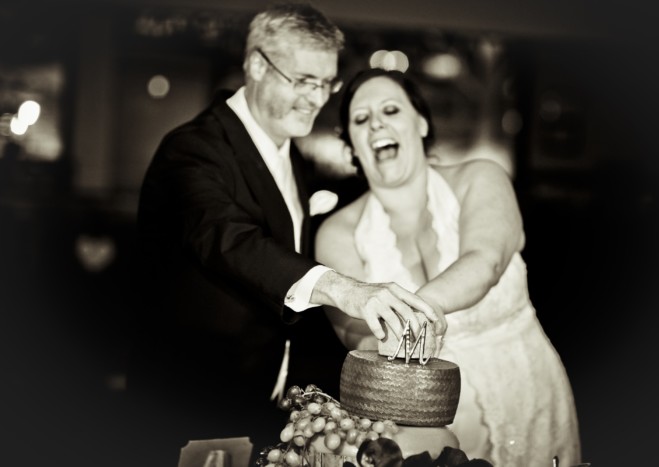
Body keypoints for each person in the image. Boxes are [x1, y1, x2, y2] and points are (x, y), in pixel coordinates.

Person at [129, 5, 444, 466]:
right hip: (190, 400)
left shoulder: (287, 151)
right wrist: (346, 289)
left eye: (326, 83)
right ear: (256, 65)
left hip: (267, 404)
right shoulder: (193, 148)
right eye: (302, 81)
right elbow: (229, 238)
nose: (316, 99)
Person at [316, 68, 581, 467]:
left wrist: (409, 314)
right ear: (351, 142)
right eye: (361, 119)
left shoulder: (481, 177)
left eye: (391, 110)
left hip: (528, 395)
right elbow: (356, 336)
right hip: (422, 424)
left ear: (421, 122)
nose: (377, 125)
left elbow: (486, 261)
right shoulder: (337, 233)